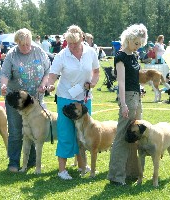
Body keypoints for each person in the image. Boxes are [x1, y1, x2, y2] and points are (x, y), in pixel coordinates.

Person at [46, 25, 100, 180]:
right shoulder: (62, 55)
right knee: (65, 132)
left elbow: (96, 72)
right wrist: (50, 84)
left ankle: (83, 165)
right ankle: (62, 170)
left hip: (84, 98)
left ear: (82, 39)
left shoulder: (90, 52)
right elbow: (53, 74)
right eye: (69, 44)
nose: (71, 47)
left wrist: (93, 83)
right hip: (65, 97)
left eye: (74, 44)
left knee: (84, 133)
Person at [0, 28, 50, 172]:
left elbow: (47, 70)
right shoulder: (12, 55)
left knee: (36, 131)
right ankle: (14, 162)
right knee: (16, 131)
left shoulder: (39, 51)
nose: (26, 47)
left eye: (28, 44)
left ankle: (32, 162)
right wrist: (3, 85)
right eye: (22, 45)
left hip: (36, 100)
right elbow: (4, 74)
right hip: (17, 102)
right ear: (17, 43)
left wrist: (43, 84)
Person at [107, 24, 148, 185]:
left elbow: (133, 79)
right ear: (129, 39)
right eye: (136, 43)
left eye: (140, 44)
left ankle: (131, 173)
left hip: (136, 96)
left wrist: (141, 89)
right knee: (122, 136)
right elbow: (121, 83)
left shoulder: (133, 55)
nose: (138, 46)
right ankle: (116, 176)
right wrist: (123, 104)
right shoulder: (121, 56)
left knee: (135, 136)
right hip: (128, 98)